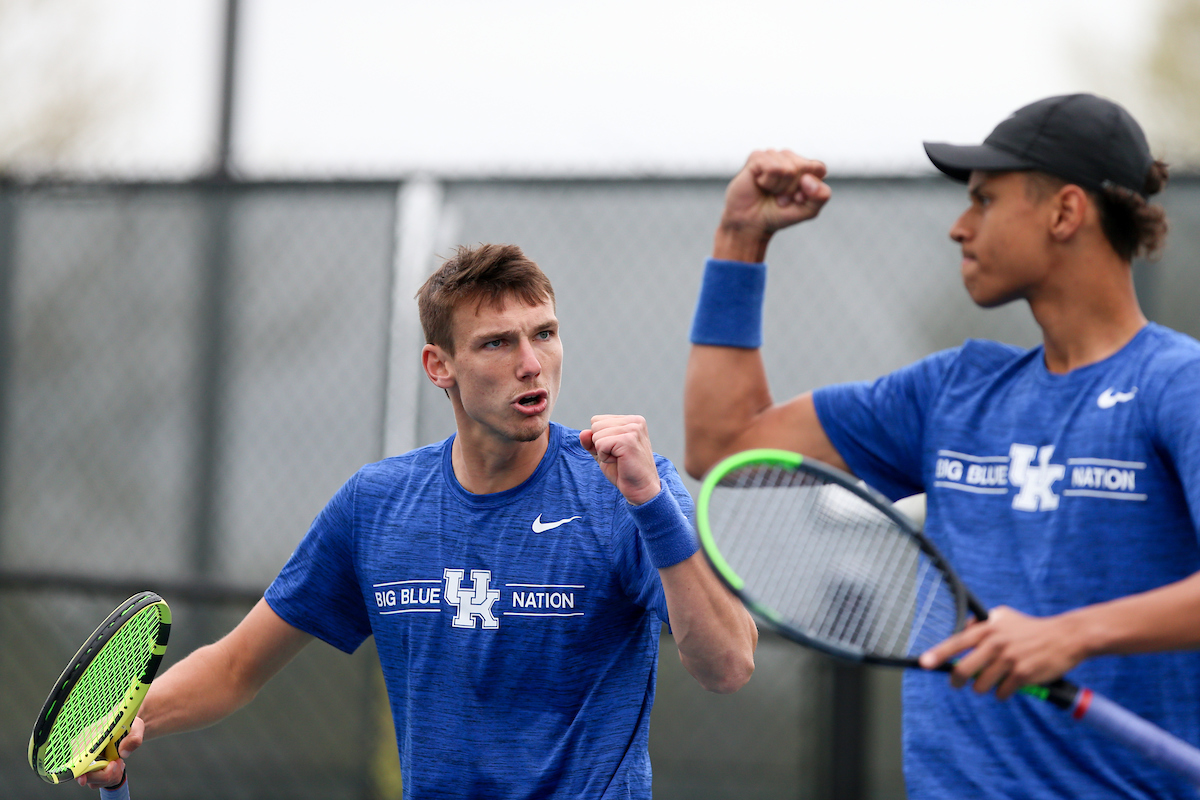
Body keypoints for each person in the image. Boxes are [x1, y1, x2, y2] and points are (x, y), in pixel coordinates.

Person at [85, 243, 757, 798]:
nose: (532, 364)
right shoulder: (375, 504)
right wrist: (127, 721)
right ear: (440, 367)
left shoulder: (631, 486)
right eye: (497, 343)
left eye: (544, 334)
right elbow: (236, 666)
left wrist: (649, 505)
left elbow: (728, 663)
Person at [683, 94, 1200, 799]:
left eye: (985, 200)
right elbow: (724, 445)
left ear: (1065, 212)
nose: (960, 227)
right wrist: (741, 239)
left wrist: (1071, 635)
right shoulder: (952, 390)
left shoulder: (1179, 385)